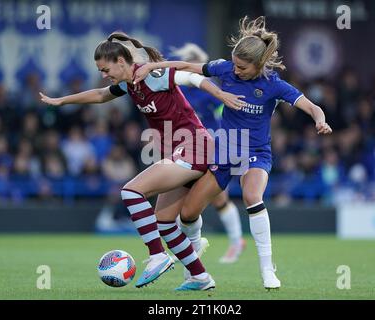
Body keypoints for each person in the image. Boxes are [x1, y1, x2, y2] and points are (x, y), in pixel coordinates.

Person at [134, 16, 332, 290]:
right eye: (235, 64)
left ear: (259, 65)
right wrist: (153, 66)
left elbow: (311, 106)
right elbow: (185, 67)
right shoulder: (225, 69)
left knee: (252, 196)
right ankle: (194, 272)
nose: (236, 71)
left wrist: (320, 121)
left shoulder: (274, 84)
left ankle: (267, 269)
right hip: (224, 151)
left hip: (256, 152)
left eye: (242, 67)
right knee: (188, 214)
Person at [39, 31, 245, 291]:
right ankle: (200, 277)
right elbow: (101, 95)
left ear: (121, 62)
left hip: (195, 147)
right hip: (183, 151)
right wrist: (62, 101)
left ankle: (157, 256)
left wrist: (221, 96)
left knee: (131, 191)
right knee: (165, 221)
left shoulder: (153, 75)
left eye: (105, 69)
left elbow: (191, 77)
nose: (104, 74)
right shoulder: (129, 84)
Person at [171, 43, 246, 264]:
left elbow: (225, 109)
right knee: (188, 199)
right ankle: (187, 248)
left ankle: (234, 241)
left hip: (211, 146)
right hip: (188, 147)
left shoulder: (208, 88)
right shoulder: (179, 89)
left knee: (218, 199)